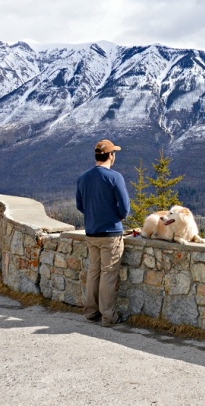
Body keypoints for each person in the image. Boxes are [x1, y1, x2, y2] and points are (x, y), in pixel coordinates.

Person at [76, 139, 131, 327]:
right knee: (108, 274)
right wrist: (116, 217)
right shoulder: (115, 177)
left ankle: (91, 312)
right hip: (111, 234)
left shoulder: (83, 177)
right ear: (110, 156)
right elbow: (125, 208)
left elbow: (80, 205)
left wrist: (94, 214)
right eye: (113, 153)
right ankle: (108, 316)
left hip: (91, 232)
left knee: (93, 271)